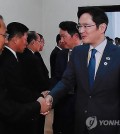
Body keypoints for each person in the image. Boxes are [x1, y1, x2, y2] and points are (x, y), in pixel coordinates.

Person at [45, 7, 120, 134]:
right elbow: (66, 81)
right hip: (81, 121)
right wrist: (52, 96)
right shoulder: (77, 52)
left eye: (86, 26)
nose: (81, 31)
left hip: (108, 123)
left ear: (102, 28)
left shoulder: (117, 54)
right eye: (80, 26)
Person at [0, 22, 49, 134]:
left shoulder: (15, 56)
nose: (27, 43)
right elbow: (16, 89)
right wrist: (39, 100)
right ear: (16, 39)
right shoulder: (7, 59)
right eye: (25, 39)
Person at [52, 21, 82, 134]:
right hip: (62, 105)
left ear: (75, 36)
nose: (61, 40)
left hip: (80, 106)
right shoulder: (60, 54)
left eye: (64, 36)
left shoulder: (88, 53)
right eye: (60, 37)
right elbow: (57, 78)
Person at [17, 31, 50, 134]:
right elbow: (39, 79)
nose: (41, 44)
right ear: (33, 42)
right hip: (35, 96)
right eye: (40, 41)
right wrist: (44, 92)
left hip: (28, 97)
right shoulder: (31, 58)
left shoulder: (26, 55)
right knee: (36, 126)